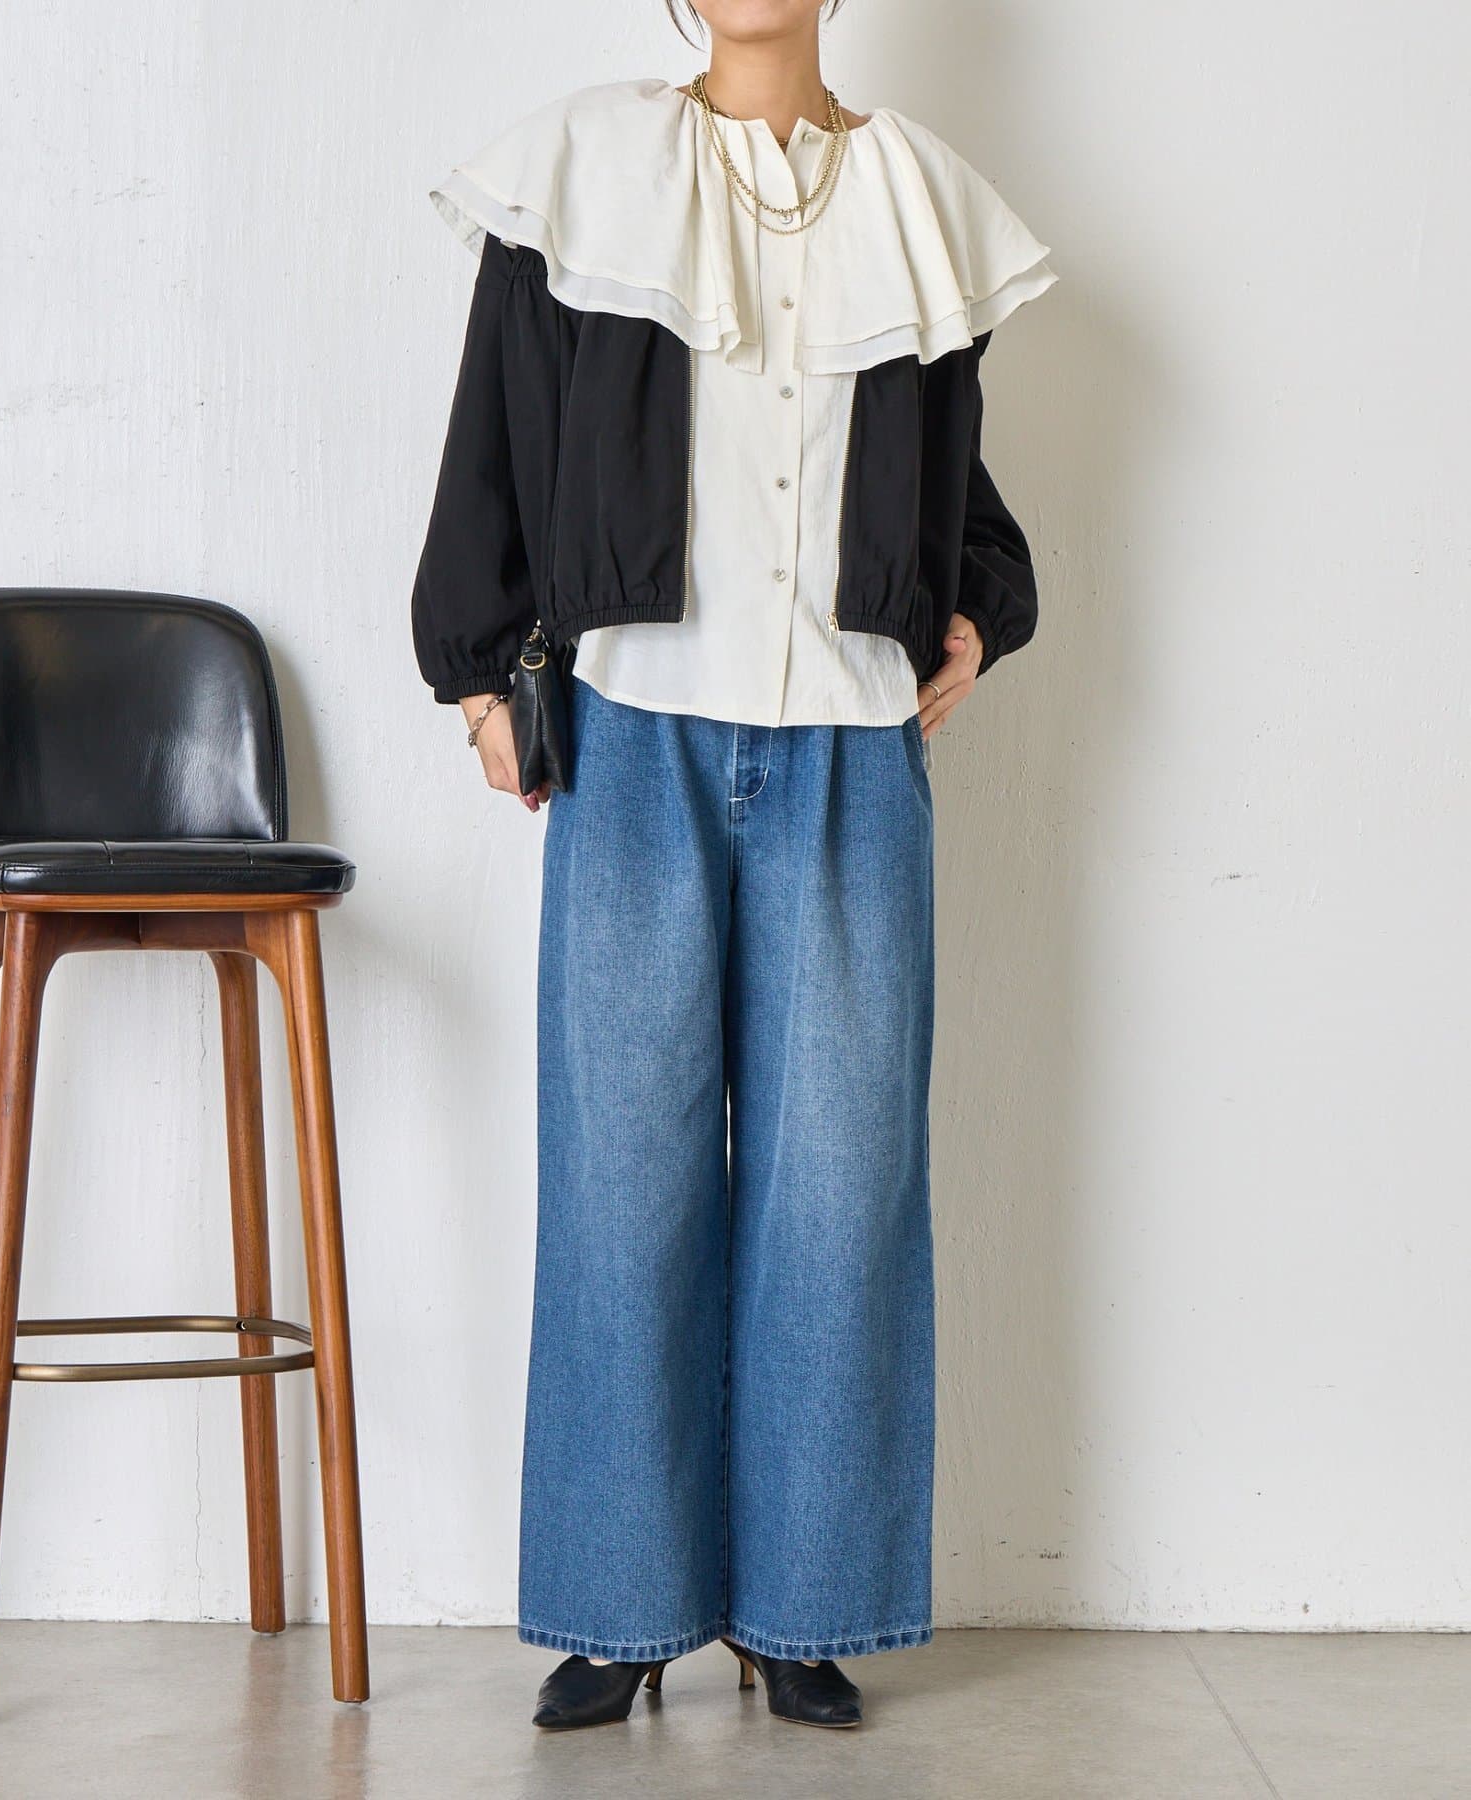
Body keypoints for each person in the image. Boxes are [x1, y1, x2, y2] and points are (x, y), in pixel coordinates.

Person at [411, 0, 1056, 1733]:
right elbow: (496, 435)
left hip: (852, 748)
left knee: (841, 1190)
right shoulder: (581, 166)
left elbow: (951, 494)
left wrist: (978, 616)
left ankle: (801, 1608)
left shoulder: (918, 196)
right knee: (623, 1183)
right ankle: (623, 1610)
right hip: (636, 735)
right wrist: (478, 672)